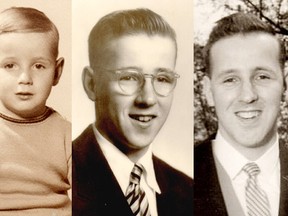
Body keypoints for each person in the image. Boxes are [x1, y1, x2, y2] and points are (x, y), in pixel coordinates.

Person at [72, 8, 193, 216]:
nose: (147, 98)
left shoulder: (188, 191)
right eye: (128, 77)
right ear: (92, 84)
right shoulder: (60, 183)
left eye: (162, 79)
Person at [194, 12, 288, 216]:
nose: (248, 96)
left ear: (284, 82)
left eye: (262, 76)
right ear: (208, 92)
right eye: (230, 79)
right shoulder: (171, 184)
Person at [0, 7, 71, 215]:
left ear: (57, 72)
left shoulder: (67, 134)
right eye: (10, 65)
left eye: (39, 66)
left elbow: (90, 196)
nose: (25, 78)